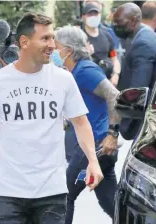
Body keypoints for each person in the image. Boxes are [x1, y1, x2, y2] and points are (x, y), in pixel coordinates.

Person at [0, 12, 103, 224]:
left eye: (52, 38)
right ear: (24, 42)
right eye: (45, 38)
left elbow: (81, 122)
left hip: (51, 192)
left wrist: (93, 160)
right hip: (8, 192)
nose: (52, 45)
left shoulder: (63, 79)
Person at [52, 25, 121, 223]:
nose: (53, 51)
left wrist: (112, 134)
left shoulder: (84, 70)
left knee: (65, 196)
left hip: (96, 147)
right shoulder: (74, 71)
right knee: (110, 201)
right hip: (99, 148)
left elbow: (114, 96)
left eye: (56, 46)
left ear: (68, 50)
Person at [113, 3, 156, 140]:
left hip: (146, 124)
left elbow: (137, 92)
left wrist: (124, 127)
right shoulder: (151, 38)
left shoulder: (142, 44)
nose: (115, 26)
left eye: (119, 22)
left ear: (133, 20)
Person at [82, 3, 121, 86]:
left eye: (96, 14)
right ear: (83, 17)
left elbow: (114, 58)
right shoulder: (80, 37)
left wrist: (116, 74)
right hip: (89, 83)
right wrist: (86, 54)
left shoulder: (107, 35)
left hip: (108, 82)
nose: (93, 16)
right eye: (90, 14)